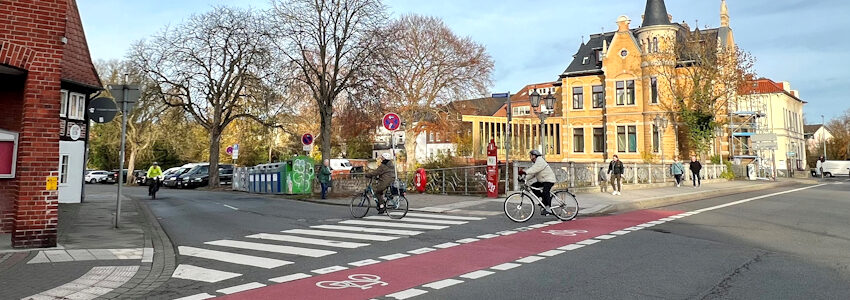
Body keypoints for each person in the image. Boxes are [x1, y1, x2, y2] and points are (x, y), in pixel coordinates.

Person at [522, 149, 557, 215]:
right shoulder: (536, 163)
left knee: (545, 192)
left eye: (531, 156)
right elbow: (533, 174)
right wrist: (524, 178)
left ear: (534, 156)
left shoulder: (540, 160)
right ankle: (543, 200)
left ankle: (549, 209)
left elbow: (535, 169)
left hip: (549, 180)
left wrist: (525, 172)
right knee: (533, 186)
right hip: (543, 180)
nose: (530, 157)